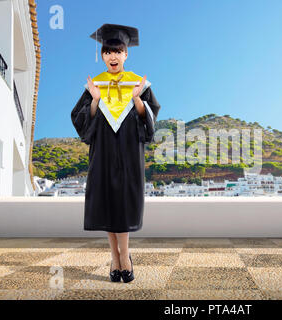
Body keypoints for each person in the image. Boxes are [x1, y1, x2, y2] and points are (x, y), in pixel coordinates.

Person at [70, 24, 161, 283]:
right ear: (102, 56)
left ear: (126, 55)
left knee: (124, 203)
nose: (112, 56)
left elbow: (151, 116)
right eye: (108, 51)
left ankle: (124, 255)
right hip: (103, 152)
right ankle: (116, 258)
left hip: (130, 152)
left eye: (118, 51)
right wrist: (96, 100)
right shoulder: (94, 84)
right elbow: (79, 119)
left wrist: (136, 100)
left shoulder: (139, 83)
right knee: (107, 202)